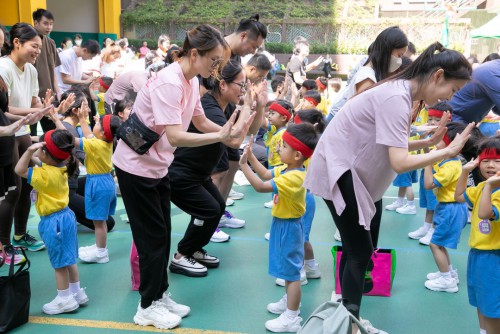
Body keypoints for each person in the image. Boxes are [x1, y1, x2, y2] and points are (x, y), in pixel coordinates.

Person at [303, 42, 474, 334]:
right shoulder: (397, 97)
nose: (451, 98)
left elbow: (391, 140)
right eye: (453, 90)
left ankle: (347, 319)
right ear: (438, 75)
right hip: (342, 170)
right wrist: (447, 152)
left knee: (357, 249)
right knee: (359, 252)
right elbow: (399, 161)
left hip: (351, 172)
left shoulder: (401, 92)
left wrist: (428, 143)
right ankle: (349, 326)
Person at [113, 24, 236, 330]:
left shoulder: (191, 80)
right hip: (135, 169)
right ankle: (146, 307)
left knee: (163, 234)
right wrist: (220, 136)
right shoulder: (170, 82)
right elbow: (177, 136)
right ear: (194, 54)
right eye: (213, 60)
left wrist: (225, 134)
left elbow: (199, 120)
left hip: (158, 166)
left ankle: (160, 294)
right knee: (151, 239)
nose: (216, 67)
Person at [168, 60, 255, 275]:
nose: (243, 91)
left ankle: (194, 249)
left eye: (245, 87)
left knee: (217, 207)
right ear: (223, 85)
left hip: (199, 174)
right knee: (208, 210)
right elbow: (233, 138)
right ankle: (181, 256)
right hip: (181, 174)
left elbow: (250, 127)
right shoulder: (209, 107)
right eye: (240, 85)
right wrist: (248, 105)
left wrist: (256, 105)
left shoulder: (228, 106)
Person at [239, 123, 319, 333]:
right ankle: (289, 303)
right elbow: (265, 174)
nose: (277, 149)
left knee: (292, 274)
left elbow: (260, 186)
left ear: (297, 155)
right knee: (286, 270)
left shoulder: (294, 177)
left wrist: (243, 166)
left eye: (283, 146)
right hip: (282, 224)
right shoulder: (288, 168)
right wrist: (251, 157)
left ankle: (292, 317)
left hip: (289, 227)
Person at [14, 129, 88, 315]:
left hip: (54, 222)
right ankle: (76, 292)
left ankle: (64, 300)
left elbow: (19, 169)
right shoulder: (62, 167)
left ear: (46, 153)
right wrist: (36, 146)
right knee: (69, 258)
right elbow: (43, 163)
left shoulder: (44, 176)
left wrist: (29, 150)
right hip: (66, 217)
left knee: (59, 264)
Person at [0, 23, 51, 263]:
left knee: (27, 185)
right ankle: (5, 244)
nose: (37, 51)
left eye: (40, 48)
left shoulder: (30, 69)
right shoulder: (4, 67)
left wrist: (46, 109)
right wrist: (36, 111)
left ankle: (20, 235)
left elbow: (34, 102)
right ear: (17, 43)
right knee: (13, 191)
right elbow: (5, 108)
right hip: (7, 133)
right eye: (34, 46)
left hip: (21, 131)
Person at [51, 90, 116, 232]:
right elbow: (80, 147)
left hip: (72, 182)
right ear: (75, 110)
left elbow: (88, 140)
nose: (88, 108)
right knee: (107, 223)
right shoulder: (68, 131)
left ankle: (73, 209)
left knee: (95, 182)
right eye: (86, 105)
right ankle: (66, 209)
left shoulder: (70, 127)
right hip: (65, 189)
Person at [455, 137, 500, 334]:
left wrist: (489, 186)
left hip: (494, 257)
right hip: (478, 254)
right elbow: (458, 196)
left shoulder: (493, 190)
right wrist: (465, 171)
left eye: (497, 161)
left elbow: (484, 213)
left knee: (492, 306)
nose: (490, 165)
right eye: (485, 160)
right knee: (481, 301)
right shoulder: (483, 187)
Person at [423, 123, 469, 293]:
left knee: (435, 244)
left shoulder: (450, 166)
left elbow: (428, 184)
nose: (436, 142)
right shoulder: (449, 161)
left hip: (451, 209)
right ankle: (448, 273)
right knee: (440, 244)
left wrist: (427, 162)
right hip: (449, 208)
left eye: (440, 140)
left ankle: (446, 280)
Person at [327, 26, 408, 121]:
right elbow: (361, 118)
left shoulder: (371, 73)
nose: (399, 61)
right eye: (399, 55)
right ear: (388, 49)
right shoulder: (367, 78)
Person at [32, 9, 62, 134]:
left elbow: (53, 68)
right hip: (31, 99)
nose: (49, 27)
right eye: (45, 23)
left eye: (51, 24)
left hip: (49, 97)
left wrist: (58, 89)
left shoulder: (51, 43)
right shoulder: (28, 44)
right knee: (31, 134)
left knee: (52, 134)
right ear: (36, 23)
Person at [262, 100, 294, 209]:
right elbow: (263, 122)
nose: (269, 116)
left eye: (273, 113)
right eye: (269, 113)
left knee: (278, 183)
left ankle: (277, 200)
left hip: (279, 163)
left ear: (283, 118)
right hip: (273, 162)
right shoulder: (275, 129)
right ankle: (275, 200)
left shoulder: (282, 133)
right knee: (275, 182)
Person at [450, 59, 500, 124]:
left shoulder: (493, 67)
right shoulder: (493, 74)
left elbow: (496, 107)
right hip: (455, 115)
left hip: (462, 117)